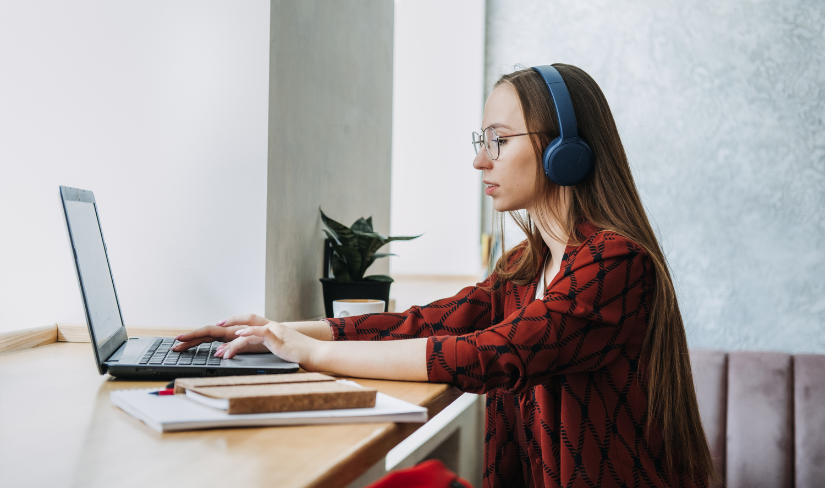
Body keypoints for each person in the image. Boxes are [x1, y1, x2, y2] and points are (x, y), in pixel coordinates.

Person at [174, 64, 715, 487]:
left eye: (498, 140)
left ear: (564, 152)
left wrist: (309, 354)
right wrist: (277, 331)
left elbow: (494, 353)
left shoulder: (616, 264)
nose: (481, 161)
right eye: (480, 141)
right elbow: (429, 323)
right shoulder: (526, 267)